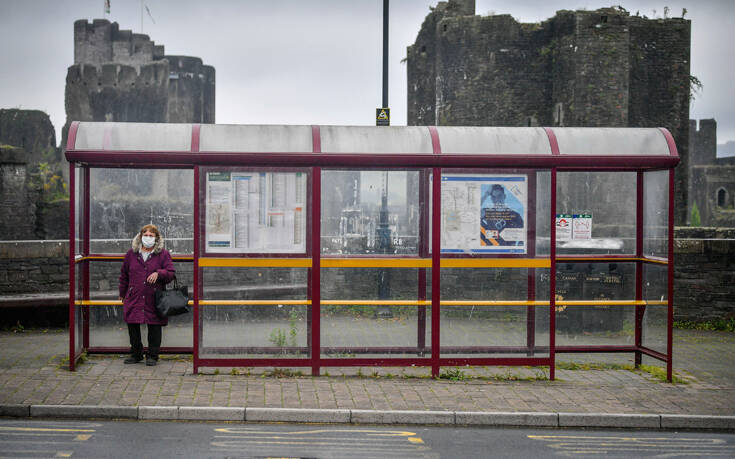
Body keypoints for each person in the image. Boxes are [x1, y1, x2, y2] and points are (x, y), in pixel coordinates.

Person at [118, 224, 175, 366]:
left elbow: (171, 273)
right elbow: (124, 275)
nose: (148, 237)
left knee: (154, 325)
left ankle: (152, 355)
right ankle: (136, 354)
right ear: (140, 236)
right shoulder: (131, 254)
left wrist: (159, 273)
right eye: (145, 234)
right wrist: (122, 292)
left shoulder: (163, 254)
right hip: (134, 295)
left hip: (154, 296)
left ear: (156, 238)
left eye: (151, 235)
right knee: (132, 324)